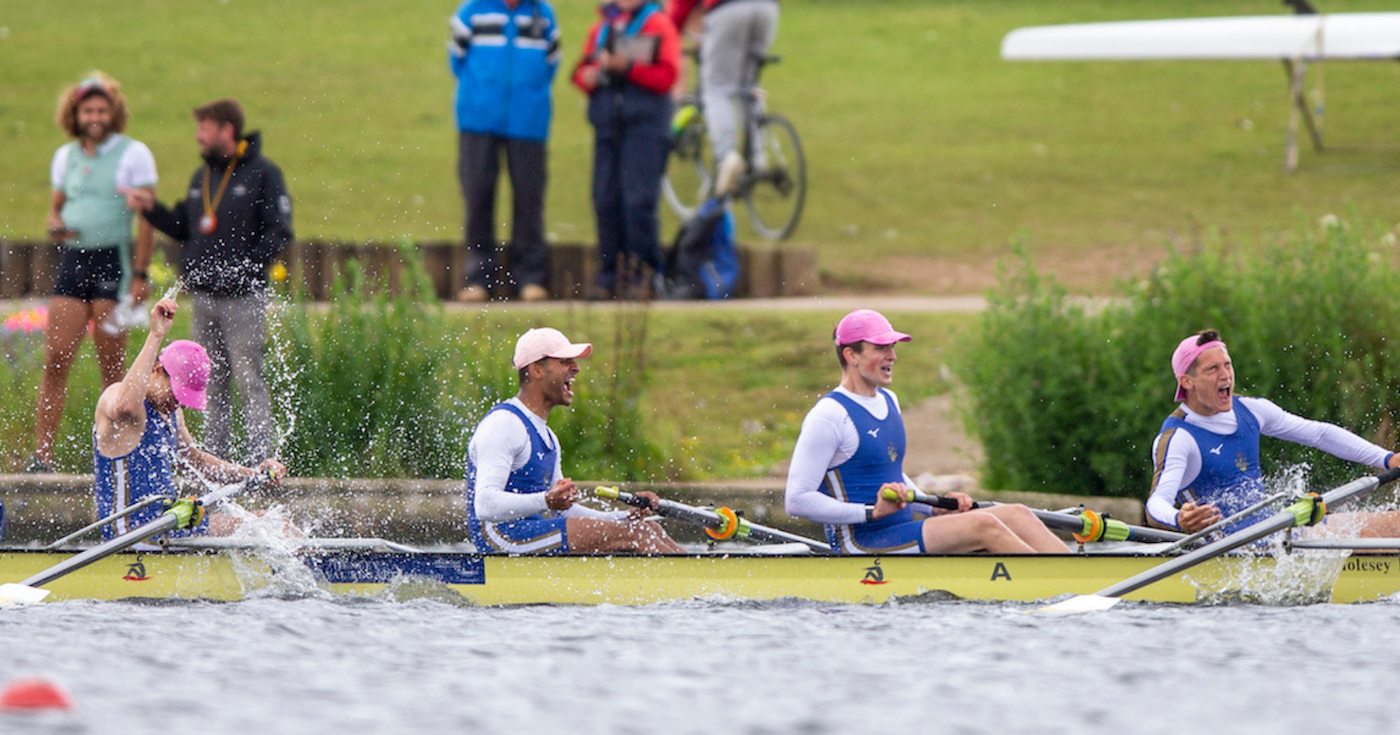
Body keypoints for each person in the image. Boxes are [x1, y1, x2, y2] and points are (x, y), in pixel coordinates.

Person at [785, 310, 1068, 555]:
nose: (892, 356)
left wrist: (933, 506)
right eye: (881, 348)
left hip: (906, 529)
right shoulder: (829, 415)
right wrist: (871, 512)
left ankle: (1079, 577)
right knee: (984, 524)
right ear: (851, 355)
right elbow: (796, 500)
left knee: (1019, 513)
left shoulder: (889, 400)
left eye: (893, 347)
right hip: (864, 542)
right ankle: (1059, 588)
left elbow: (890, 474)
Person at [125, 98, 292, 463]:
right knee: (210, 382)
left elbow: (279, 232)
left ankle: (260, 460)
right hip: (205, 299)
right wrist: (150, 208)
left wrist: (244, 269)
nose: (198, 136)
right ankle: (218, 461)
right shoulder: (202, 177)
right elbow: (185, 228)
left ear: (226, 130)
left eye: (204, 128)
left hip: (244, 298)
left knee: (250, 379)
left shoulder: (264, 173)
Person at [1147, 330, 1400, 535]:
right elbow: (1155, 505)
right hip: (1229, 553)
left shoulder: (1252, 410)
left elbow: (1319, 434)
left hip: (1275, 538)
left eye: (1227, 365)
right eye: (1212, 369)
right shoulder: (1179, 438)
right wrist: (1179, 519)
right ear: (1187, 382)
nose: (1225, 375)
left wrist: (1387, 459)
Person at [32, 72, 158, 473]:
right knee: (56, 358)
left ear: (113, 113)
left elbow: (148, 220)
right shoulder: (65, 156)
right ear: (76, 113)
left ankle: (115, 454)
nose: (95, 116)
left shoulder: (134, 153)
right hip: (72, 261)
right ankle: (43, 457)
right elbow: (56, 208)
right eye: (89, 109)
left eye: (102, 109)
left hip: (112, 263)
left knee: (111, 367)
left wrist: (140, 274)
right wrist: (55, 224)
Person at [465, 327, 684, 554]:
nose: (576, 368)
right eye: (564, 362)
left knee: (649, 528)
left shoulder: (548, 438)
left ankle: (689, 583)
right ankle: (692, 589)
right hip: (499, 538)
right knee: (639, 535)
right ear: (537, 370)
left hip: (531, 532)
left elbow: (563, 512)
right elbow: (484, 505)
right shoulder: (504, 424)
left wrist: (624, 516)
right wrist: (546, 500)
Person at [93, 298, 285, 541]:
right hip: (131, 541)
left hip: (166, 531)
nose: (179, 403)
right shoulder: (117, 398)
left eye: (185, 398)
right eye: (176, 393)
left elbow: (196, 462)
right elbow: (126, 405)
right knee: (272, 529)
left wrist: (253, 474)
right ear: (157, 370)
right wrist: (155, 335)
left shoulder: (171, 412)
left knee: (273, 523)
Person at [448, 0, 561, 303]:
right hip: (478, 119)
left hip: (529, 121)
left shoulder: (543, 14)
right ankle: (478, 279)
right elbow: (456, 59)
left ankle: (530, 278)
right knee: (477, 194)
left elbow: (552, 62)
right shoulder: (472, 11)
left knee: (529, 198)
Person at [572, 0, 681, 299]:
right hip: (607, 127)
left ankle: (643, 276)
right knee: (605, 200)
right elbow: (580, 72)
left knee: (638, 201)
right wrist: (590, 76)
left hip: (645, 127)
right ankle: (609, 277)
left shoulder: (657, 24)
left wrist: (628, 67)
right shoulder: (601, 28)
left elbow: (668, 76)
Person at [667, 0, 779, 197]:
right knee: (749, 85)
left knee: (717, 89)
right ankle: (757, 155)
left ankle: (727, 156)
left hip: (727, 9)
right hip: (767, 8)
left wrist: (671, 28)